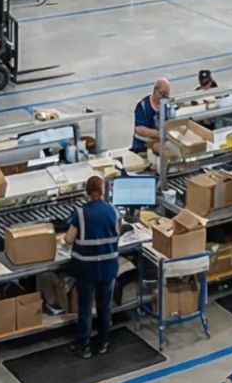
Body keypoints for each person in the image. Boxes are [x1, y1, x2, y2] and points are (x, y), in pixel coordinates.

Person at [71, 176, 122, 357]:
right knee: (104, 306)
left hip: (86, 270)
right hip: (108, 269)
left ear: (87, 191)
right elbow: (117, 233)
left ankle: (84, 346)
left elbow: (68, 239)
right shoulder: (113, 211)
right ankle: (103, 342)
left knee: (85, 308)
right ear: (102, 190)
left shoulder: (81, 213)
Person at [131, 77, 173, 154]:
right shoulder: (142, 106)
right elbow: (139, 129)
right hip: (142, 148)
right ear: (155, 90)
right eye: (162, 95)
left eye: (166, 97)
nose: (164, 99)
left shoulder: (166, 106)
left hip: (160, 146)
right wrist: (160, 134)